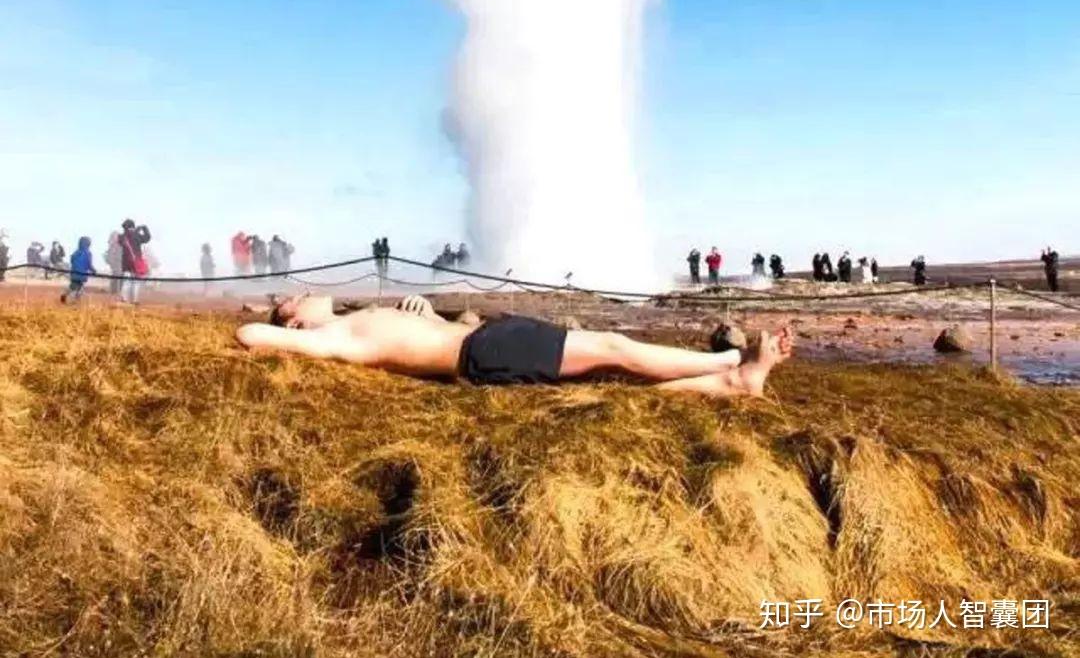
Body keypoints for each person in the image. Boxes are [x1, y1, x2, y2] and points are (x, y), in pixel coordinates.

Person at [236, 293, 793, 399]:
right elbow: (248, 334)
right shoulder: (333, 337)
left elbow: (419, 337)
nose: (306, 294)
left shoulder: (356, 318)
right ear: (295, 324)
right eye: (296, 300)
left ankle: (729, 381)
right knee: (613, 346)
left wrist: (427, 313)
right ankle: (728, 363)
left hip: (485, 340)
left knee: (609, 371)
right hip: (485, 353)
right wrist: (284, 335)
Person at [119, 219, 151, 303]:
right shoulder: (137, 235)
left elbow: (120, 241)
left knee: (126, 282)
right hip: (136, 263)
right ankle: (134, 300)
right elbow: (147, 238)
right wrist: (144, 228)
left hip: (126, 263)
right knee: (136, 282)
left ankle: (124, 299)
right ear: (133, 226)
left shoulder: (122, 236)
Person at [62, 236, 95, 303]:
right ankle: (75, 300)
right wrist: (94, 271)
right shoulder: (88, 253)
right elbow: (89, 264)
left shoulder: (76, 252)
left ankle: (65, 294)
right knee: (79, 288)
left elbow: (72, 260)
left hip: (74, 273)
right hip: (82, 274)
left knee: (72, 286)